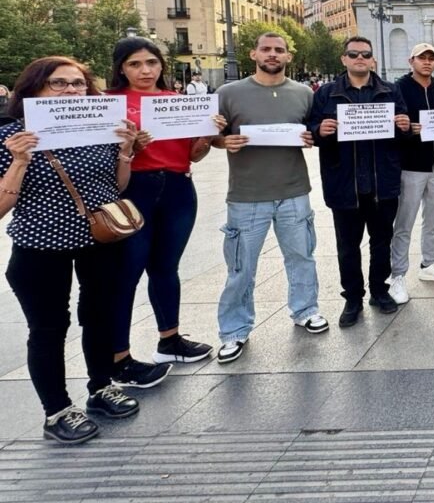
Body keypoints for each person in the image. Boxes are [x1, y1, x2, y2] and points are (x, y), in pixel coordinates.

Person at [0, 57, 141, 444]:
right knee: (48, 328)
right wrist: (18, 161)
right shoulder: (11, 137)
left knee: (99, 316)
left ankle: (101, 387)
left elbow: (117, 186)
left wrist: (125, 151)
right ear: (34, 90)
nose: (71, 92)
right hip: (40, 246)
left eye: (78, 84)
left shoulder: (99, 129)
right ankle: (57, 410)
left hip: (100, 240)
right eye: (58, 84)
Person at [108, 38, 223, 389]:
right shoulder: (108, 104)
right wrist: (129, 147)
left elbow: (194, 155)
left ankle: (170, 339)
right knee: (126, 273)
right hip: (133, 190)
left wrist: (206, 136)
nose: (145, 71)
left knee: (165, 268)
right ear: (122, 68)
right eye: (135, 64)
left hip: (176, 188)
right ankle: (118, 357)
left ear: (161, 66)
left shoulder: (178, 102)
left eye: (151, 63)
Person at [213, 33, 327, 364]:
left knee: (302, 255)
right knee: (240, 267)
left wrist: (312, 137)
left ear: (288, 57)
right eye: (267, 49)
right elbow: (212, 137)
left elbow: (314, 130)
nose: (273, 54)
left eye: (279, 50)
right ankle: (234, 330)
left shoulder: (304, 94)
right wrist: (224, 143)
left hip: (294, 190)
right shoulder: (228, 93)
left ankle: (306, 310)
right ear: (254, 54)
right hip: (247, 195)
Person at [310, 36, 411, 328]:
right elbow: (310, 129)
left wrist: (403, 126)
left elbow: (403, 134)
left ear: (372, 60)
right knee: (347, 246)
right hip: (345, 183)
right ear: (344, 59)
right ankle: (352, 297)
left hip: (383, 183)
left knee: (381, 242)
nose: (360, 59)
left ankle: (379, 290)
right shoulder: (327, 94)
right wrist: (320, 129)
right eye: (353, 54)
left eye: (365, 54)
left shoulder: (390, 91)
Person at [392, 43, 434, 289]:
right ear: (411, 61)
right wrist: (408, 129)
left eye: (431, 58)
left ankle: (429, 264)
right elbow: (391, 126)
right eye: (422, 58)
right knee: (404, 223)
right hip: (410, 167)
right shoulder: (398, 88)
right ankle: (397, 274)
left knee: (432, 220)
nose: (427, 62)